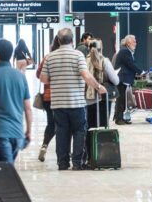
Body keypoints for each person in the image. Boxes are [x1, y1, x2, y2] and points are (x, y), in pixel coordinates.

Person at [40, 28, 107, 170]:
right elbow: (86, 75)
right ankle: (77, 163)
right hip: (76, 102)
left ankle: (62, 163)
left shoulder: (50, 57)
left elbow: (44, 79)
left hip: (58, 103)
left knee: (61, 132)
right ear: (72, 40)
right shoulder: (77, 55)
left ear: (58, 40)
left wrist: (57, 76)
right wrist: (98, 87)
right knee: (79, 131)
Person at [36, 37, 61, 162]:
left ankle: (44, 146)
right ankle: (62, 154)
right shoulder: (70, 57)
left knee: (51, 124)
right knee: (63, 125)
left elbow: (38, 74)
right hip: (63, 97)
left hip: (48, 97)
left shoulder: (48, 57)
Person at [85, 38, 119, 129]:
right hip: (103, 97)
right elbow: (116, 80)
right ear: (101, 48)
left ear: (88, 48)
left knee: (89, 125)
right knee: (102, 126)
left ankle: (88, 143)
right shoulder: (105, 61)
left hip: (87, 98)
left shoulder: (83, 61)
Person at [113, 35, 143, 125]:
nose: (136, 43)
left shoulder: (126, 51)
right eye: (134, 41)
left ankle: (120, 117)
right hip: (122, 78)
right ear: (129, 42)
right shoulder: (125, 51)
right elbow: (131, 64)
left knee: (123, 99)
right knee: (121, 99)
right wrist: (140, 72)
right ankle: (119, 119)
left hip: (124, 78)